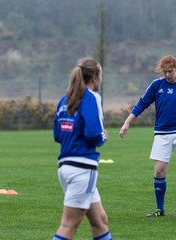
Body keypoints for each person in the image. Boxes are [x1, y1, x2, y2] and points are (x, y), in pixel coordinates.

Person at [119, 55, 176, 217]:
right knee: (159, 172)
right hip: (162, 133)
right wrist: (127, 123)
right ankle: (160, 210)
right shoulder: (156, 85)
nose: (167, 75)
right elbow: (142, 103)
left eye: (170, 71)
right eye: (165, 72)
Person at [53, 57, 112, 240]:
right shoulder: (92, 97)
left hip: (65, 167)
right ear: (94, 77)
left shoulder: (65, 99)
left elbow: (57, 135)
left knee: (100, 221)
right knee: (68, 227)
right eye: (100, 74)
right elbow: (93, 133)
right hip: (82, 169)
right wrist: (103, 136)